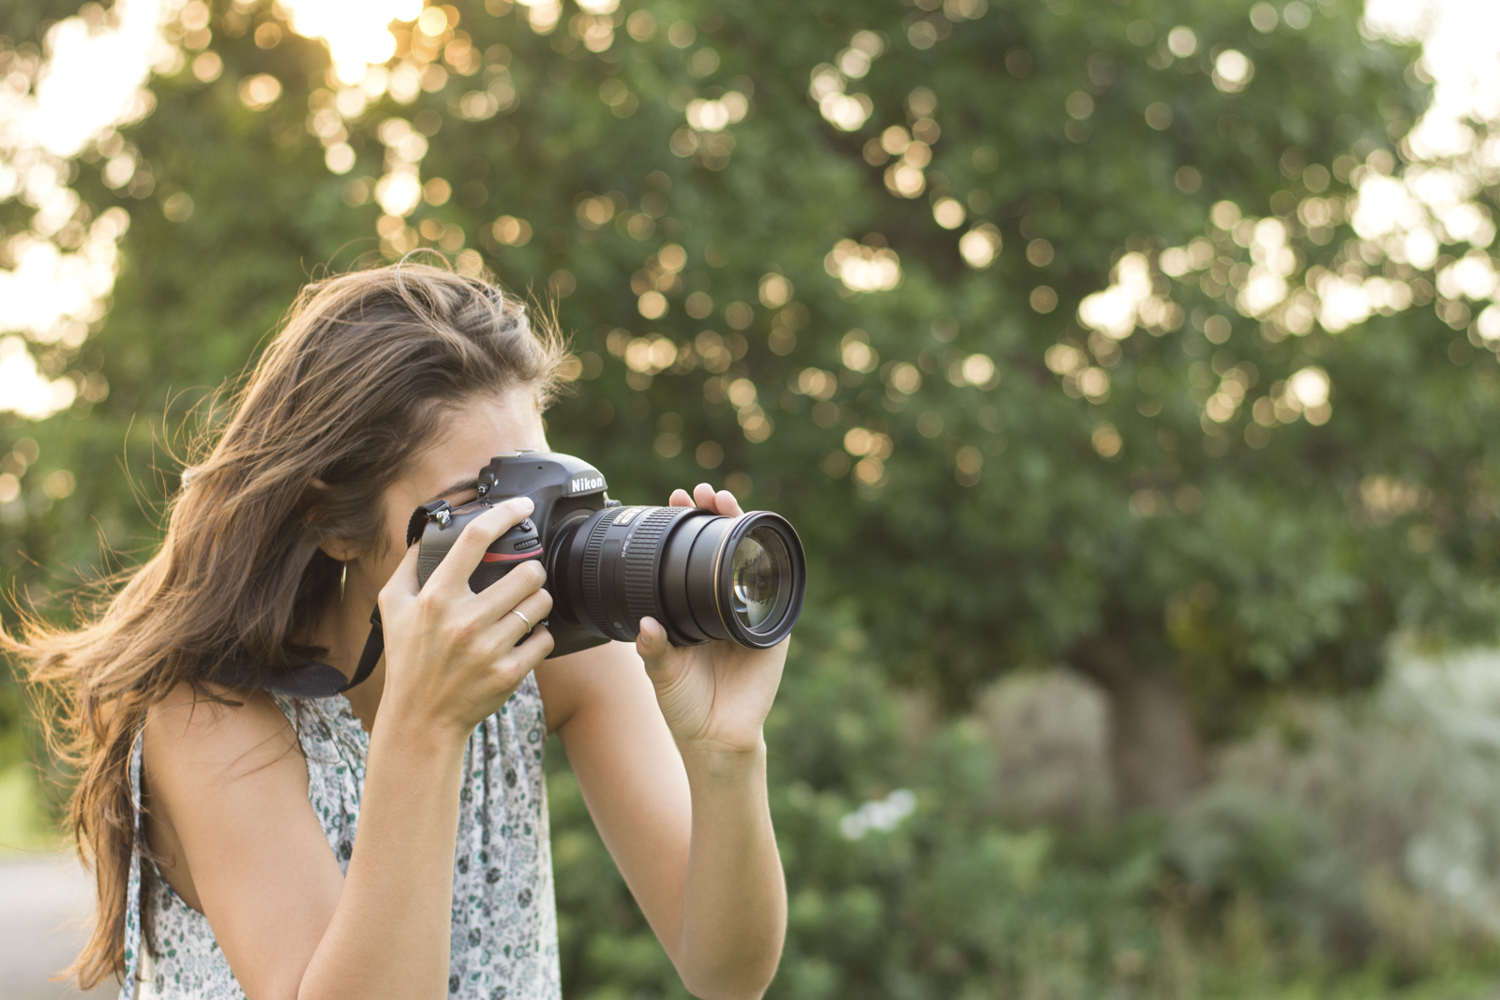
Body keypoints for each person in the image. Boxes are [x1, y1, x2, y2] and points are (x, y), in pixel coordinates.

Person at [11, 261, 788, 1000]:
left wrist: (726, 751)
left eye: (536, 486)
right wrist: (427, 725)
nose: (527, 543)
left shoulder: (549, 644)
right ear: (332, 523)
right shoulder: (212, 715)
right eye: (483, 506)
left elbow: (725, 973)